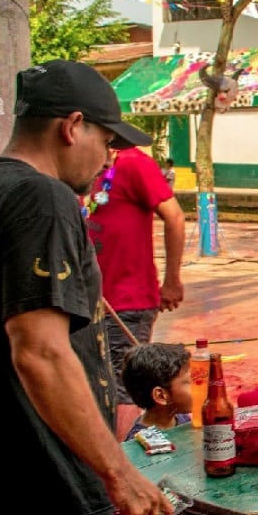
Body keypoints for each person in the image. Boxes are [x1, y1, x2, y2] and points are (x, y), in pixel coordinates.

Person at [0, 59, 174, 515]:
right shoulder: (42, 199)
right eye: (108, 140)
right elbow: (41, 355)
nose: (109, 159)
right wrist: (117, 474)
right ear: (72, 127)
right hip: (50, 499)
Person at [122, 342, 240, 515]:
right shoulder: (139, 444)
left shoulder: (185, 421)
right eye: (189, 382)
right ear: (161, 396)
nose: (199, 388)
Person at [86, 144, 186, 442]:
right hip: (91, 304)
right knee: (95, 385)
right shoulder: (86, 168)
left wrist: (172, 280)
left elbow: (175, 216)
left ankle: (127, 470)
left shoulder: (132, 163)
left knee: (124, 389)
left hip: (126, 303)